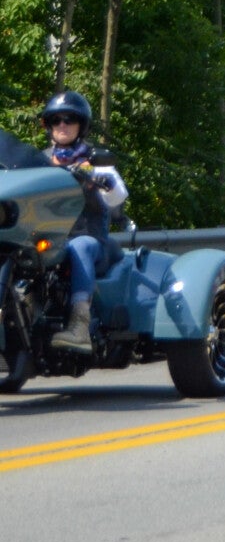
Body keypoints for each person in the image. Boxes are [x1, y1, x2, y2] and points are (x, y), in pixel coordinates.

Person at [39, 91, 128, 352]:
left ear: (82, 125)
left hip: (90, 241)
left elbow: (118, 197)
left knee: (80, 246)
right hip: (47, 239)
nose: (62, 125)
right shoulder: (39, 162)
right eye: (56, 120)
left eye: (70, 119)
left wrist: (105, 182)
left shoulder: (95, 161)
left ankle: (79, 324)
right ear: (49, 125)